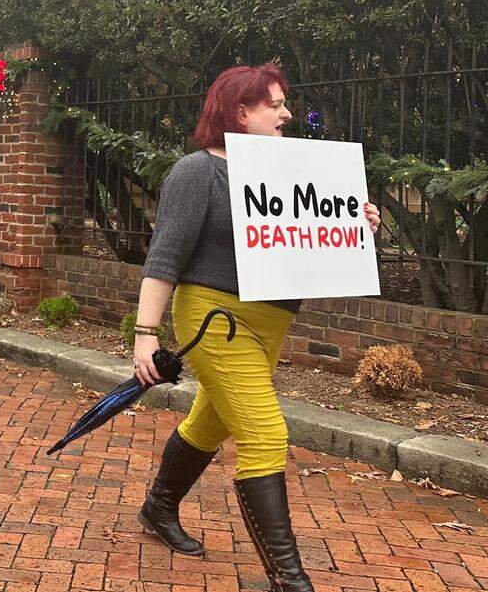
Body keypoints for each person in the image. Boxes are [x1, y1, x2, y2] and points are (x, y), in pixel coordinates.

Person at [131, 64, 380, 591]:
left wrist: (355, 226)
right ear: (240, 113)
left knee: (211, 423)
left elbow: (310, 243)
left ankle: (158, 508)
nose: (287, 112)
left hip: (270, 322)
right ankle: (288, 580)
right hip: (215, 317)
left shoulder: (292, 174)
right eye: (275, 104)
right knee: (265, 433)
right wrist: (145, 334)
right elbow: (163, 258)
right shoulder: (198, 171)